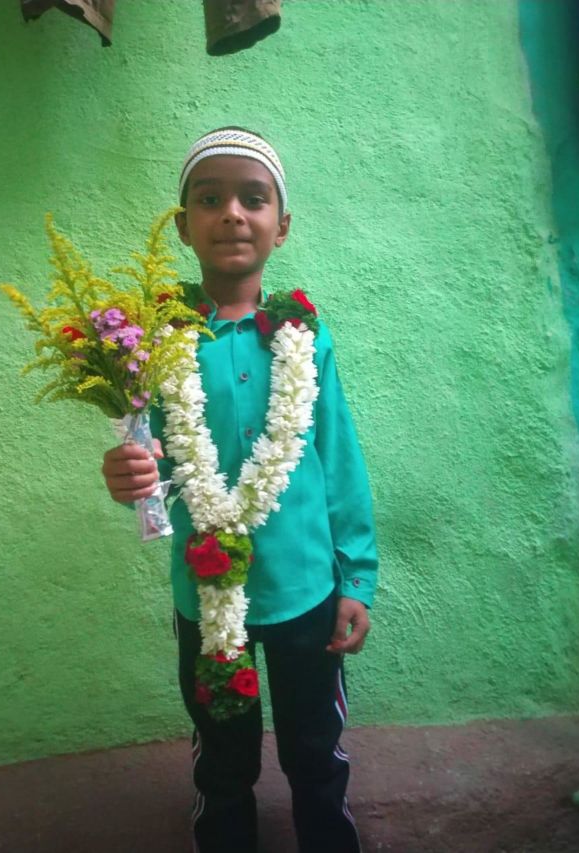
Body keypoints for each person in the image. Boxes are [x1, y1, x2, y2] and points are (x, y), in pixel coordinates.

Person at [102, 127, 379, 853]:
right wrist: (129, 479)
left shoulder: (306, 338)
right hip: (206, 596)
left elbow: (339, 460)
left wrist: (356, 578)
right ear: (183, 224)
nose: (231, 213)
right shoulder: (155, 344)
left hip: (305, 590)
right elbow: (151, 469)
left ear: (280, 226)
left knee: (315, 750)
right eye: (210, 199)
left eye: (253, 199)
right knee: (222, 759)